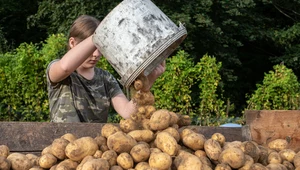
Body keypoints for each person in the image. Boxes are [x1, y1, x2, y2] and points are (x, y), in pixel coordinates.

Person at [46, 15, 165, 123]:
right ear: (72, 43)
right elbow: (65, 67)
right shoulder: (58, 70)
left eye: (100, 47)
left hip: (95, 145)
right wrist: (102, 33)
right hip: (63, 144)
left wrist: (144, 87)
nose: (96, 54)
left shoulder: (106, 78)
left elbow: (127, 112)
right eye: (92, 48)